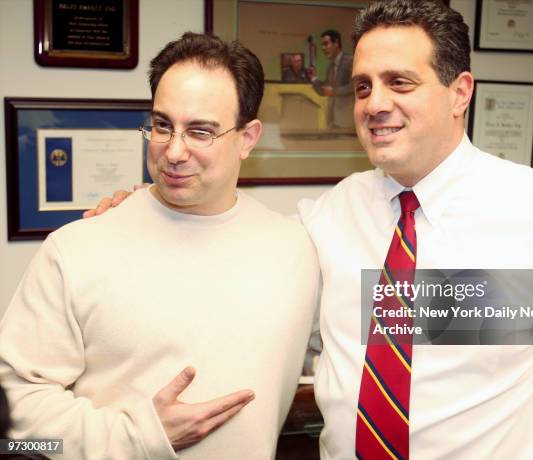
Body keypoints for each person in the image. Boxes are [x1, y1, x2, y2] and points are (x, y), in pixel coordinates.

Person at [85, 1, 533, 458]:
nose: (375, 104)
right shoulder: (334, 215)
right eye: (363, 86)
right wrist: (148, 211)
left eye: (399, 82)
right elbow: (230, 253)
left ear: (460, 93)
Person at [0, 32, 319, 459]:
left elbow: (380, 345)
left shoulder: (296, 248)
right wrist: (140, 436)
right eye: (162, 125)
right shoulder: (76, 249)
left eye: (200, 131)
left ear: (247, 138)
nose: (173, 151)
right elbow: (16, 429)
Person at [308, 29, 354, 129]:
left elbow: (354, 86)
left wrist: (334, 91)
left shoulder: (350, 61)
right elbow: (324, 91)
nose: (323, 48)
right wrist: (314, 78)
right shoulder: (330, 67)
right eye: (322, 45)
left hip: (346, 121)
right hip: (331, 120)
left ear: (336, 43)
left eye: (326, 44)